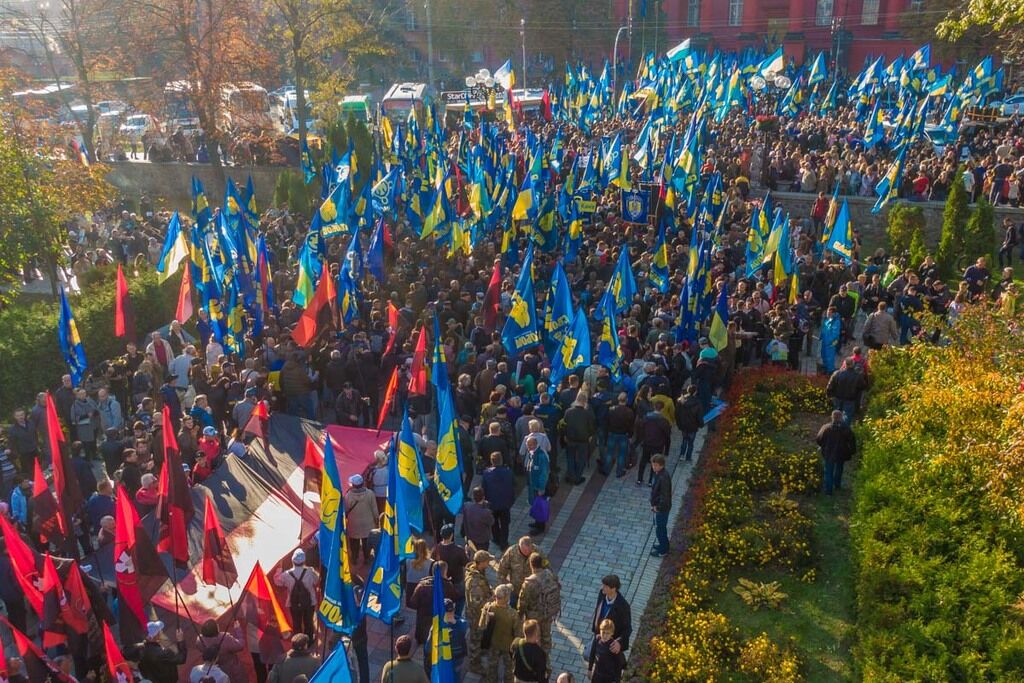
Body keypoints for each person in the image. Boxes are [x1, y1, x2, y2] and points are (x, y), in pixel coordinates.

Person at [516, 552, 561, 653]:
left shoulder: (529, 583)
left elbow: (522, 603)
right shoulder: (549, 574)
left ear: (531, 565)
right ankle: (546, 659)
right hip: (548, 612)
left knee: (534, 639)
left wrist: (519, 615)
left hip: (534, 616)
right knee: (546, 636)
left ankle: (536, 658)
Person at [273, 549, 319, 638]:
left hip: (293, 603)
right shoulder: (310, 571)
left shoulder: (286, 574)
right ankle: (308, 641)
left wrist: (279, 568)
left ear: (292, 561)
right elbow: (316, 580)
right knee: (308, 622)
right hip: (310, 602)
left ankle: (298, 642)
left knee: (297, 623)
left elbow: (277, 582)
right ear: (304, 561)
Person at [479, 583, 519, 683]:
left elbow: (481, 626)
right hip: (508, 646)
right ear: (506, 598)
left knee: (492, 667)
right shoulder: (513, 614)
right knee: (509, 670)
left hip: (493, 644)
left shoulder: (488, 608)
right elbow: (519, 634)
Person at [590, 574, 632, 667]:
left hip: (611, 644)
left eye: (605, 586)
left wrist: (618, 642)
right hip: (599, 637)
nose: (602, 588)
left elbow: (628, 629)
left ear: (613, 589)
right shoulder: (602, 594)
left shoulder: (623, 606)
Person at [465, 549, 494, 675]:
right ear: (481, 562)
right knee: (475, 640)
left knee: (478, 638)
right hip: (476, 616)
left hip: (478, 614)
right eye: (487, 561)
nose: (489, 564)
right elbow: (477, 603)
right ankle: (474, 665)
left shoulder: (478, 573)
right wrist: (492, 599)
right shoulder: (475, 582)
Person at [816, 410, 857, 495]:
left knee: (828, 471)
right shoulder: (846, 429)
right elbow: (852, 441)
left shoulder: (826, 428)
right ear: (841, 418)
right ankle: (837, 485)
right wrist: (852, 451)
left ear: (832, 417)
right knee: (839, 468)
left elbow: (819, 439)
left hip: (828, 452)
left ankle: (828, 491)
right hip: (841, 453)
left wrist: (822, 446)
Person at [426, 598, 468, 680]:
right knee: (455, 676)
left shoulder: (436, 627)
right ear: (454, 609)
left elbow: (428, 648)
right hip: (457, 658)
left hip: (444, 658)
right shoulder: (463, 624)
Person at [482, 452, 515, 551]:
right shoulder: (508, 472)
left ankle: (496, 538)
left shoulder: (486, 473)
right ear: (501, 460)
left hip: (492, 503)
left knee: (494, 522)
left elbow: (484, 488)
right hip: (505, 503)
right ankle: (504, 543)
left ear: (492, 462)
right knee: (505, 523)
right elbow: (513, 485)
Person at [344, 473, 378, 566]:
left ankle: (354, 558)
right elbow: (374, 509)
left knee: (354, 543)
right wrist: (377, 520)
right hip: (368, 523)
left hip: (354, 524)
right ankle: (367, 558)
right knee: (367, 543)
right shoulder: (370, 494)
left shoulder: (348, 496)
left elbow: (346, 510)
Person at [497, 536, 537, 609]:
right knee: (513, 607)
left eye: (529, 550)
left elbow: (545, 567)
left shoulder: (537, 552)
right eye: (524, 551)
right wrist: (503, 586)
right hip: (515, 589)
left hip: (531, 590)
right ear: (519, 546)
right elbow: (502, 569)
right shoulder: (511, 552)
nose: (527, 553)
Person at [563, 397, 596, 485]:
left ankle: (571, 476)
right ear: (585, 402)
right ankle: (577, 477)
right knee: (581, 459)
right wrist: (590, 435)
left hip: (570, 439)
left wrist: (565, 435)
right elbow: (591, 426)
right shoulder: (587, 413)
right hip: (583, 440)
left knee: (570, 458)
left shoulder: (568, 411)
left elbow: (564, 425)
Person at [825, 360, 867, 425]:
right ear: (853, 364)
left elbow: (829, 386)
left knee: (836, 416)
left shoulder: (837, 373)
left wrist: (829, 395)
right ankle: (844, 431)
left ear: (845, 364)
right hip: (850, 399)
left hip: (837, 398)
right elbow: (863, 386)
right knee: (847, 417)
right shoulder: (857, 376)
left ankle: (834, 428)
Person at [604, 393, 634, 477]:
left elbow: (607, 421)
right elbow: (630, 426)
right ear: (626, 400)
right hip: (623, 435)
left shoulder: (611, 409)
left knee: (610, 452)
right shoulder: (629, 412)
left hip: (612, 433)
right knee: (622, 454)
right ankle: (619, 471)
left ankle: (606, 470)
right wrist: (630, 435)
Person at [649, 454, 671, 557]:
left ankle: (663, 550)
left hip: (662, 509)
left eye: (656, 465)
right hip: (659, 507)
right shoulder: (659, 474)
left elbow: (664, 496)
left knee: (660, 529)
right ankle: (663, 545)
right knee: (660, 528)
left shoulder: (663, 477)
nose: (654, 467)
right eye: (653, 465)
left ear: (661, 465)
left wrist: (657, 507)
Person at [675, 385, 703, 462]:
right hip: (693, 426)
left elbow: (677, 414)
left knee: (684, 440)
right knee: (691, 443)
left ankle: (682, 455)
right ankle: (688, 458)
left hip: (684, 425)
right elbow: (699, 416)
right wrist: (701, 424)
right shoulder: (697, 403)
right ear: (695, 392)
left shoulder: (681, 401)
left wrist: (679, 424)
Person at [461, 486, 495, 551]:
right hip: (482, 540)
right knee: (481, 557)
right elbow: (491, 521)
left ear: (473, 497)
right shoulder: (485, 512)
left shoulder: (466, 506)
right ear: (483, 497)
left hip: (470, 538)